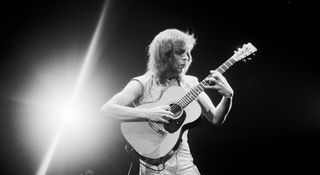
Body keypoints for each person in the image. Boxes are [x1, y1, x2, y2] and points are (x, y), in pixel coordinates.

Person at [100, 28, 234, 175]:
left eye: (189, 52)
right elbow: (107, 109)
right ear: (164, 55)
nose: (187, 57)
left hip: (184, 160)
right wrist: (148, 114)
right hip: (152, 164)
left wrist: (228, 96)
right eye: (180, 52)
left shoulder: (191, 83)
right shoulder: (143, 82)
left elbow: (216, 118)